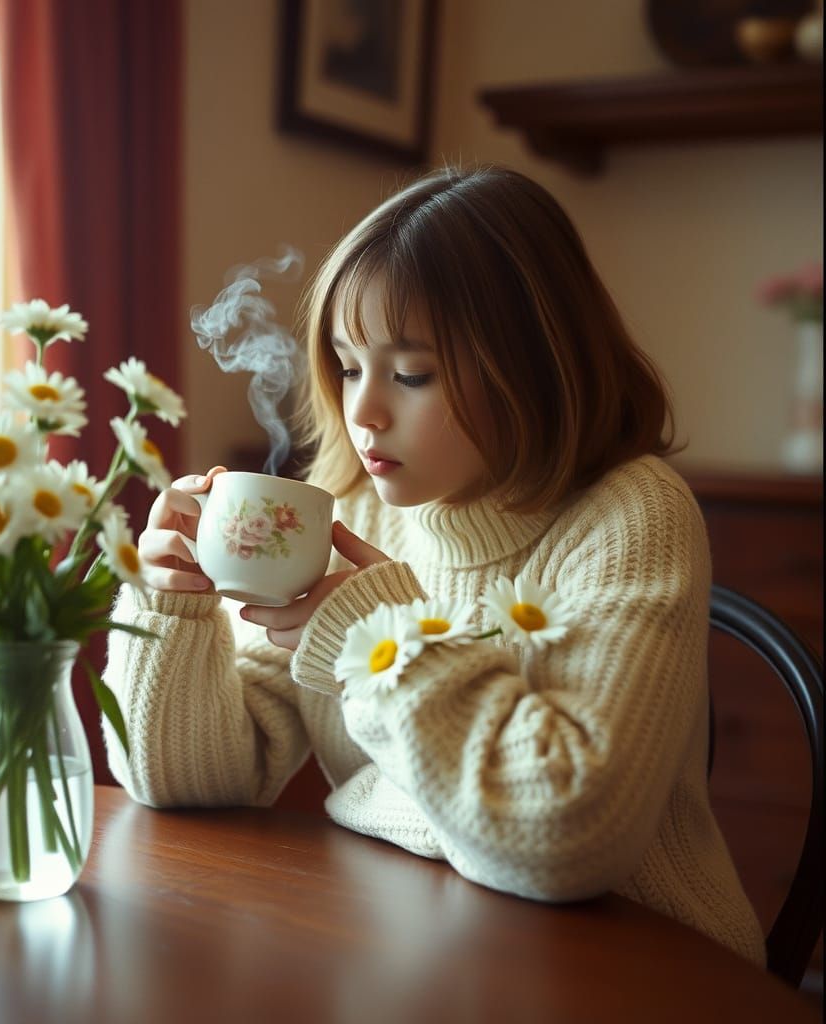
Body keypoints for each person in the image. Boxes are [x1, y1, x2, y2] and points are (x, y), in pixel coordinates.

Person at [102, 165, 765, 966]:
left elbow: (565, 834)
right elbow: (195, 778)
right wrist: (169, 608)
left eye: (412, 374)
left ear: (532, 364)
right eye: (348, 366)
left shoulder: (629, 515)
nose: (363, 411)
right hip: (431, 947)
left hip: (643, 970)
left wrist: (383, 639)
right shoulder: (351, 505)